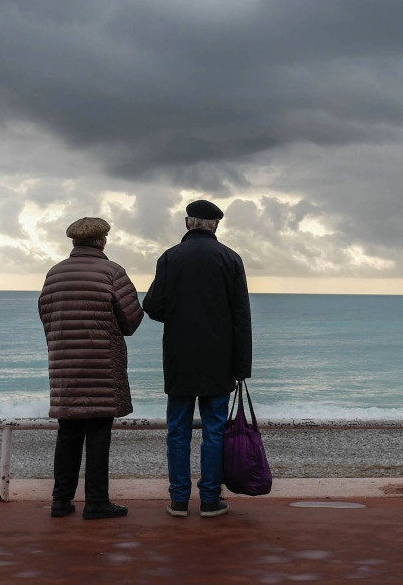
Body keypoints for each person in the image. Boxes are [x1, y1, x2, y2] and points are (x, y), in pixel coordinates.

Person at [143, 199, 253, 518]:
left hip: (179, 358)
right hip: (219, 361)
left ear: (188, 223)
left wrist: (177, 316)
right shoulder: (231, 259)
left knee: (177, 429)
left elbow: (152, 305)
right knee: (214, 430)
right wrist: (241, 367)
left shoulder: (170, 258)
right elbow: (241, 318)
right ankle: (209, 500)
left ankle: (178, 500)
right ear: (215, 224)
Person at [38, 217, 144, 520]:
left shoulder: (54, 274)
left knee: (68, 432)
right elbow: (131, 320)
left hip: (65, 367)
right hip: (101, 367)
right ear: (102, 241)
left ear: (74, 242)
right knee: (99, 433)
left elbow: (45, 315)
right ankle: (96, 501)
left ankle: (61, 500)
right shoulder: (112, 273)